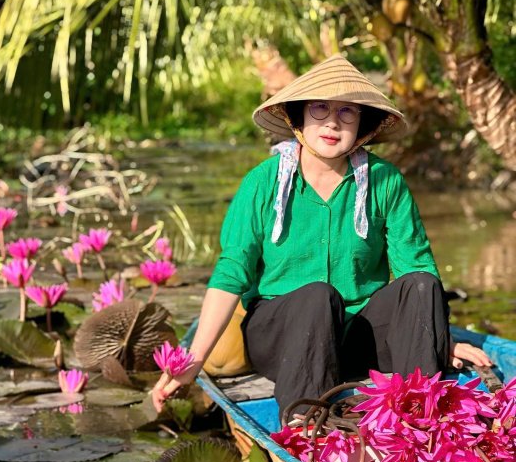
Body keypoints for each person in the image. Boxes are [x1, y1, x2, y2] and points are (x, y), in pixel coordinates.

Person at [152, 54, 490, 417]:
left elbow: (415, 268)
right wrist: (195, 358)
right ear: (298, 116)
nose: (332, 122)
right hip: (283, 337)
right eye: (319, 108)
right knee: (318, 295)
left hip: (356, 338)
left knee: (422, 283)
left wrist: (438, 339)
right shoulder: (262, 182)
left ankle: (419, 415)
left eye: (347, 112)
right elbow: (232, 271)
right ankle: (306, 420)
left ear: (364, 125)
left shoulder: (386, 181)